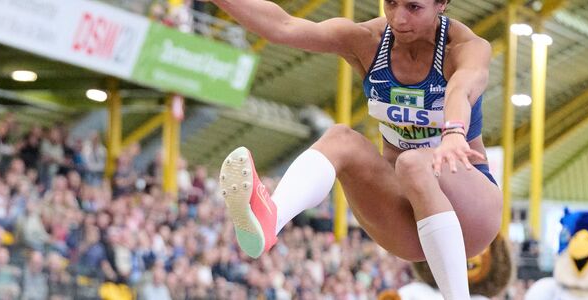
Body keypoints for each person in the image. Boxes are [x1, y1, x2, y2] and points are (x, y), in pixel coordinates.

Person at [208, 0, 502, 298]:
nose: (399, 18)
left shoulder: (465, 47)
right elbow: (283, 27)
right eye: (392, 3)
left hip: (471, 212)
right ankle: (271, 218)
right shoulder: (367, 42)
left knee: (413, 163)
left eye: (414, 7)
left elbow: (460, 88)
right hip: (405, 216)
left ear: (442, 4)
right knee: (340, 137)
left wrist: (453, 132)